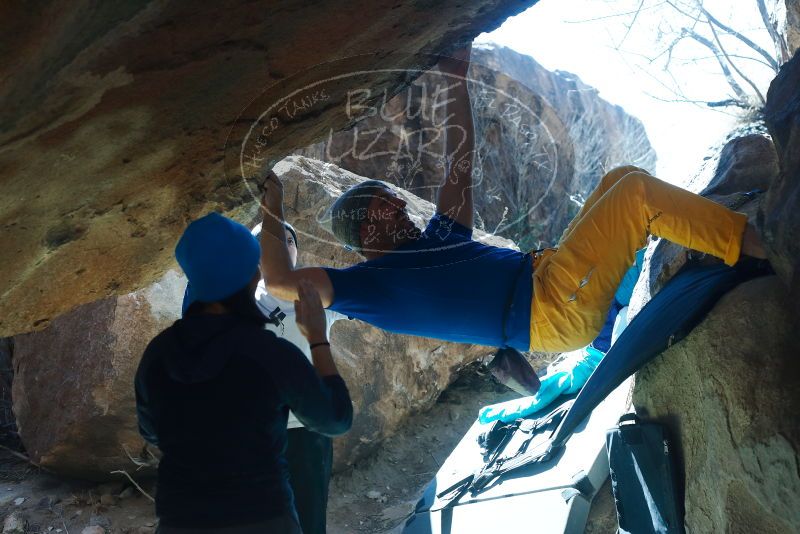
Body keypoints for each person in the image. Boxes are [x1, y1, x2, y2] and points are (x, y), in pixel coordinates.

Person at [257, 46, 767, 356]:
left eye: (395, 200)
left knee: (623, 177)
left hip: (550, 285)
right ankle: (764, 245)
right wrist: (272, 200)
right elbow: (280, 282)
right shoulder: (366, 290)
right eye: (385, 207)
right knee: (636, 197)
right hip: (551, 311)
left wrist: (454, 75)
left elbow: (461, 156)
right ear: (367, 234)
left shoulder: (440, 242)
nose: (400, 208)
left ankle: (705, 243)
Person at [135, 212, 353, 533]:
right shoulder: (267, 353)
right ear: (253, 277)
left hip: (180, 519)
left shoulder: (158, 353)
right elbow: (335, 419)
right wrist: (317, 338)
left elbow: (151, 431)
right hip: (262, 518)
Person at [252, 221, 346, 534]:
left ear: (296, 249)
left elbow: (362, 301)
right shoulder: (242, 301)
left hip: (308, 426)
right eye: (267, 240)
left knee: (310, 515)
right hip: (258, 429)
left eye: (288, 240)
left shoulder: (313, 292)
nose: (281, 245)